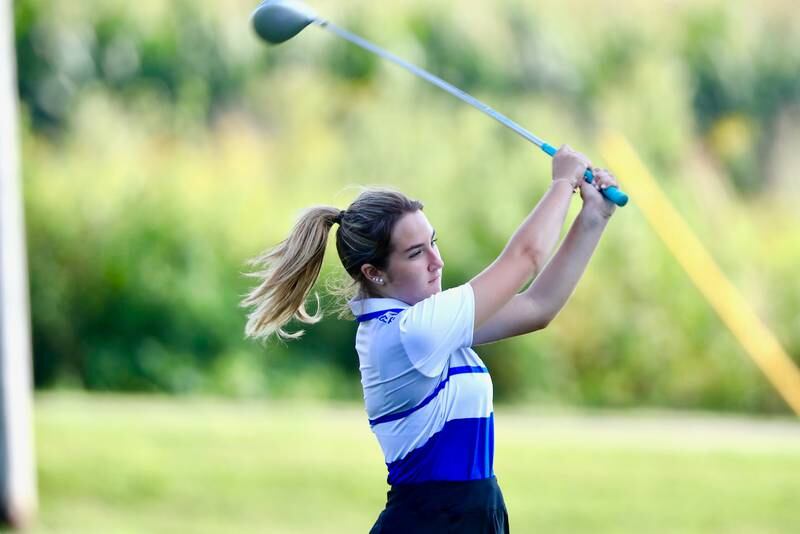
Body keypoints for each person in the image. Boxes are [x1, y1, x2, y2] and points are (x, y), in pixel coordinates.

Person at [241, 146, 619, 533]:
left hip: (467, 516)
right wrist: (561, 183)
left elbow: (538, 306)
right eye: (416, 253)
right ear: (374, 272)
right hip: (435, 521)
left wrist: (594, 216)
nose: (436, 261)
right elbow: (525, 257)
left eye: (433, 243)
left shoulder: (427, 325)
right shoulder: (414, 334)